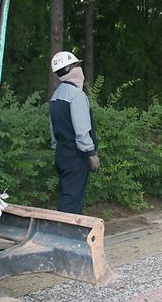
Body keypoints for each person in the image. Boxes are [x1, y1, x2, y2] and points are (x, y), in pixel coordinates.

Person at [49, 51, 99, 214]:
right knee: (72, 199)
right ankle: (64, 234)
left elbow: (53, 129)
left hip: (62, 153)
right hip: (76, 155)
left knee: (66, 195)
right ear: (70, 68)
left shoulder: (56, 95)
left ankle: (62, 232)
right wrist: (91, 153)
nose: (79, 68)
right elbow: (82, 130)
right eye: (77, 65)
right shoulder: (76, 95)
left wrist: (58, 148)